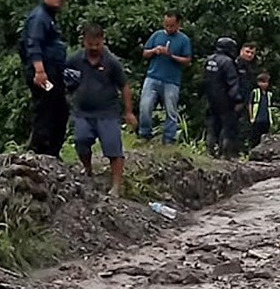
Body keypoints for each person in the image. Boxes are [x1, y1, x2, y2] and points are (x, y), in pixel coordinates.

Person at [66, 24, 137, 198]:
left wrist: (129, 112)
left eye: (97, 44)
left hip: (107, 112)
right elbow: (67, 81)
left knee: (113, 149)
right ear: (84, 42)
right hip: (83, 111)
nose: (94, 48)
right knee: (81, 141)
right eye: (91, 44)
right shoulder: (75, 60)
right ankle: (87, 169)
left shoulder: (111, 62)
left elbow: (124, 86)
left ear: (103, 42)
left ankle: (116, 185)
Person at [20, 0, 70, 156]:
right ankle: (39, 150)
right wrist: (39, 71)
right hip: (43, 72)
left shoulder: (49, 17)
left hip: (53, 71)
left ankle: (52, 151)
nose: (60, 0)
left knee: (59, 109)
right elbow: (33, 44)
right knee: (46, 109)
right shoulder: (39, 17)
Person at [137, 10, 192, 143]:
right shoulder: (157, 35)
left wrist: (171, 55)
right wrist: (155, 51)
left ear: (178, 24)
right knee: (145, 107)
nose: (168, 28)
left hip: (171, 81)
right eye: (166, 25)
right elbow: (144, 53)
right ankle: (145, 134)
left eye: (171, 26)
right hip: (153, 76)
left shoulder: (184, 40)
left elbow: (187, 60)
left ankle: (169, 139)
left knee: (171, 111)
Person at [202, 36, 242, 157]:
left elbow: (204, 80)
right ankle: (224, 153)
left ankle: (209, 150)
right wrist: (237, 99)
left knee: (213, 125)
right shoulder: (227, 62)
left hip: (210, 98)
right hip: (225, 100)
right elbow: (232, 82)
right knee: (227, 126)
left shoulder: (209, 60)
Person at [233, 44, 260, 156]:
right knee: (233, 126)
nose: (249, 55)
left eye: (252, 53)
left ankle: (242, 150)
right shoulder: (234, 64)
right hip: (235, 100)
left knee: (245, 127)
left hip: (247, 101)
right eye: (247, 52)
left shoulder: (251, 67)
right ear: (241, 51)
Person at [248, 71, 274, 144]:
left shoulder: (269, 94)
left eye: (266, 82)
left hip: (266, 119)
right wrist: (251, 117)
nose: (264, 84)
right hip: (257, 119)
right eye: (262, 82)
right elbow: (250, 104)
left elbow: (269, 107)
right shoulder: (255, 92)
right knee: (255, 138)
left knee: (266, 138)